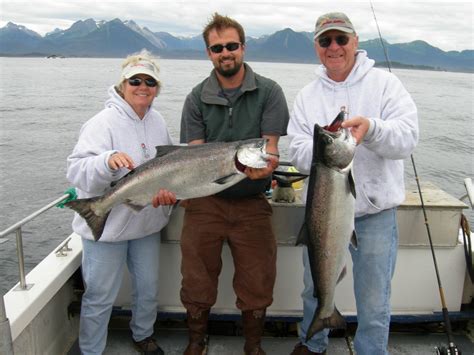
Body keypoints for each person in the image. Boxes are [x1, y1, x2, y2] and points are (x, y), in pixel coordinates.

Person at [153, 12, 289, 355]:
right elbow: (194, 157)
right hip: (203, 204)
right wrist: (176, 190)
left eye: (231, 45)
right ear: (208, 53)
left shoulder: (269, 92)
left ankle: (253, 346)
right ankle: (196, 340)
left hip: (252, 203)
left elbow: (269, 148)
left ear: (243, 47)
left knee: (258, 279)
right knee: (196, 278)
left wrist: (267, 166)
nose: (225, 53)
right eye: (217, 48)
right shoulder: (196, 98)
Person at [287, 12, 419, 355]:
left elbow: (407, 139)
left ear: (355, 42)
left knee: (374, 301)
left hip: (376, 215)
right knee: (313, 290)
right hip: (321, 217)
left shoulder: (386, 85)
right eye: (325, 41)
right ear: (316, 47)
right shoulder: (306, 96)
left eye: (341, 39)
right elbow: (297, 148)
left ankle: (371, 351)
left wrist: (372, 129)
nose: (334, 47)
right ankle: (312, 342)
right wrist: (325, 146)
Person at [67, 49, 173, 355]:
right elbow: (75, 170)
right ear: (122, 85)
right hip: (107, 230)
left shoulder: (158, 121)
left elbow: (166, 168)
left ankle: (143, 335)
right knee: (99, 296)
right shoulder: (102, 123)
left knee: (148, 289)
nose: (142, 86)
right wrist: (106, 161)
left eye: (149, 82)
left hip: (146, 225)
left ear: (157, 88)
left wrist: (169, 197)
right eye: (135, 80)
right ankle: (91, 350)